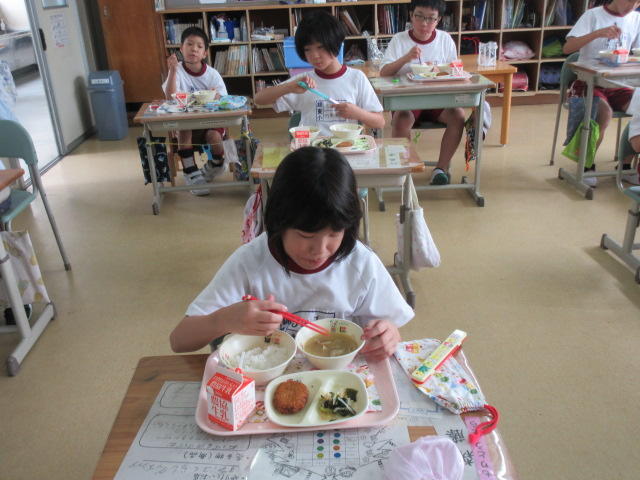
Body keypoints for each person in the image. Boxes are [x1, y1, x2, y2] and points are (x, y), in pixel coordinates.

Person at [170, 147, 414, 360]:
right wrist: (223, 320)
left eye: (334, 233)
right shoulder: (251, 262)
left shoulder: (360, 263)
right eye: (306, 235)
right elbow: (179, 340)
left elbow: (389, 328)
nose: (320, 250)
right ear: (279, 221)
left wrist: (389, 334)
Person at [253, 11, 385, 137]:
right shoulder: (303, 82)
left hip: (346, 148)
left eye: (320, 47)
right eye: (307, 49)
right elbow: (258, 99)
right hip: (312, 148)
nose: (315, 55)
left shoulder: (356, 78)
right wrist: (289, 87)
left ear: (335, 43)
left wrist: (358, 113)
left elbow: (380, 122)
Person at [379, 0, 465, 186]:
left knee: (458, 115)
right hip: (407, 101)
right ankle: (406, 170)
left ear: (438, 20)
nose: (424, 23)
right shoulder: (399, 39)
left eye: (431, 18)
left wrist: (444, 70)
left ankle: (440, 169)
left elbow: (455, 70)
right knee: (401, 120)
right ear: (411, 15)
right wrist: (406, 58)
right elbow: (384, 73)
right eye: (419, 16)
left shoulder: (444, 40)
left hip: (439, 99)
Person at [563, 0, 640, 186]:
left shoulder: (636, 19)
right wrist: (598, 33)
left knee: (639, 109)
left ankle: (626, 165)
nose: (634, 6)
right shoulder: (593, 15)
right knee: (603, 113)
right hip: (588, 83)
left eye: (638, 2)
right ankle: (586, 166)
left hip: (619, 83)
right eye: (631, 0)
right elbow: (568, 48)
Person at [163, 26, 228, 196]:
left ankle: (216, 163)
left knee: (214, 136)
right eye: (189, 44)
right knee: (184, 128)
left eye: (199, 46)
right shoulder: (177, 71)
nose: (194, 49)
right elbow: (170, 97)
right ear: (181, 49)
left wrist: (216, 96)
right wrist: (172, 71)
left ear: (205, 53)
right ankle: (191, 172)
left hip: (210, 122)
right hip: (187, 124)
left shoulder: (212, 74)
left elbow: (224, 98)